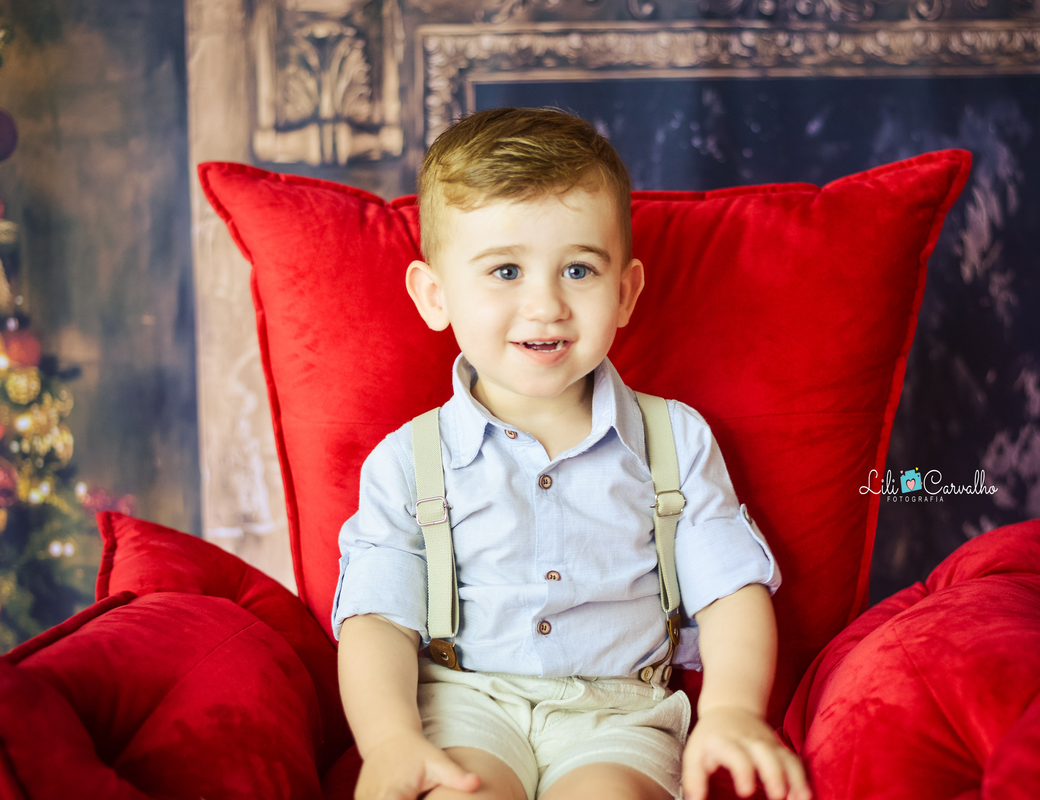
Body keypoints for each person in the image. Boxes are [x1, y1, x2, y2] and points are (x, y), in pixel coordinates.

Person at [333, 106, 811, 800]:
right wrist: (389, 742)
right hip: (464, 705)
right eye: (504, 271)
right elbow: (377, 618)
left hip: (619, 715)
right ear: (434, 296)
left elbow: (730, 590)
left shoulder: (673, 439)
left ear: (625, 292)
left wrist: (732, 711)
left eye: (579, 271)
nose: (546, 305)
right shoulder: (407, 461)